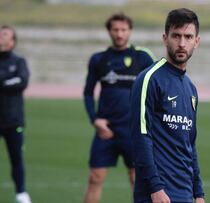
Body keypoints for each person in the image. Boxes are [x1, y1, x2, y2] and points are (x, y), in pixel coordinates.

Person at [130, 8, 205, 203]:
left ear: (197, 42)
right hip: (157, 195)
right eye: (176, 36)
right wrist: (155, 188)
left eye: (188, 37)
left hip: (186, 193)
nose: (182, 43)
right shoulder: (149, 79)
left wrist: (198, 193)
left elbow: (190, 145)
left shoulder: (191, 89)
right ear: (165, 38)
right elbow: (140, 137)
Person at [83, 13, 156, 203]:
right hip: (105, 129)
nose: (119, 34)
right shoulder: (98, 59)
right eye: (115, 29)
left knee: (136, 179)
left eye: (123, 29)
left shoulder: (143, 57)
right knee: (95, 178)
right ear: (109, 31)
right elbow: (88, 93)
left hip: (133, 131)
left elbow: (157, 88)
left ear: (130, 31)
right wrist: (94, 120)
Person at [0, 25, 31, 203]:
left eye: (5, 34)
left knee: (17, 159)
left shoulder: (19, 62)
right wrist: (7, 78)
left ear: (12, 42)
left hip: (13, 121)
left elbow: (22, 82)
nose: (1, 36)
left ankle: (21, 193)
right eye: (0, 33)